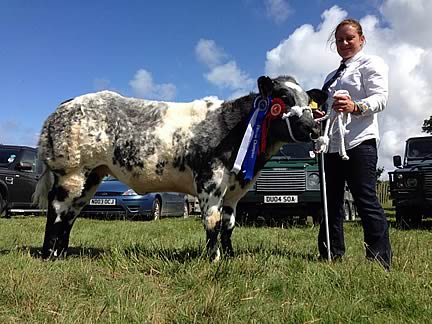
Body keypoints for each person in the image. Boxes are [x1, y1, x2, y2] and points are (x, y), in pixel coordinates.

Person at [317, 18, 392, 270]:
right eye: (340, 40)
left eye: (350, 38)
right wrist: (320, 115)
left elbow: (381, 99)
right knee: (331, 202)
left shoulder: (371, 63)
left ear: (362, 39)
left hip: (360, 141)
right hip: (332, 144)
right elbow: (328, 107)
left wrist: (356, 106)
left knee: (365, 199)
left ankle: (379, 260)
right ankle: (330, 255)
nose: (345, 43)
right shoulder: (331, 76)